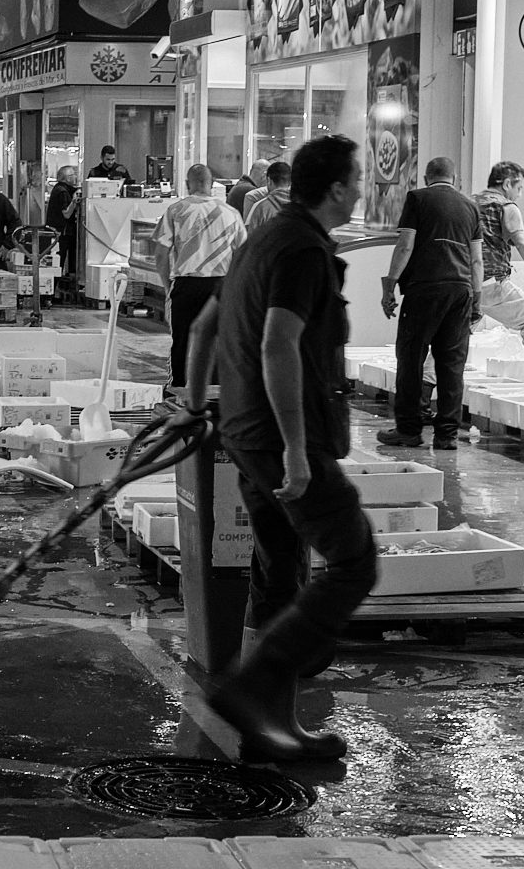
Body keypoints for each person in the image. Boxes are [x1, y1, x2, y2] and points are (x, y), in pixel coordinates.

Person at [176, 133, 374, 762]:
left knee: (280, 568)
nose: (362, 188)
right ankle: (253, 686)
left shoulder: (262, 237)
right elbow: (278, 346)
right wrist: (294, 449)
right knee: (354, 559)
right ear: (338, 188)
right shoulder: (302, 251)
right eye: (358, 179)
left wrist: (193, 403)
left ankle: (274, 729)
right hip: (281, 438)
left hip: (243, 431)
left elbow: (206, 324)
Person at [378, 157, 483, 450]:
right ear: (455, 178)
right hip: (461, 291)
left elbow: (406, 244)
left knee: (411, 359)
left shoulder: (417, 199)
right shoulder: (470, 206)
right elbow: (476, 259)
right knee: (452, 365)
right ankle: (447, 435)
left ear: (426, 178)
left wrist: (389, 286)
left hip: (424, 289)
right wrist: (477, 299)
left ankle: (409, 430)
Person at [151, 164, 247, 389]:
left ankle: (179, 391)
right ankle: (214, 392)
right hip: (221, 286)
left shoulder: (176, 210)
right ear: (212, 186)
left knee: (182, 341)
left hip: (186, 285)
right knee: (218, 341)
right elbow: (244, 255)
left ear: (187, 184)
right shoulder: (231, 213)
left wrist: (168, 287)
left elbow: (160, 254)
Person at [475, 161, 524, 381]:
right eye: (519, 188)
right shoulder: (505, 207)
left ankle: (424, 389)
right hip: (490, 281)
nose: (519, 195)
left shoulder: (468, 203)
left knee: (454, 339)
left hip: (462, 283)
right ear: (507, 183)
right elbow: (522, 242)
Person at [46, 165, 82, 295]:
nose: (75, 177)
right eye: (73, 175)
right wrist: (74, 202)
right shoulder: (62, 192)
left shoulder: (59, 189)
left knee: (57, 262)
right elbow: (66, 214)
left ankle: (51, 292)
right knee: (58, 262)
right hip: (61, 233)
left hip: (56, 231)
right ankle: (51, 293)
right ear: (66, 178)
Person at [243, 161, 292, 227]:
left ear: (269, 181)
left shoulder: (260, 208)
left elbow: (251, 234)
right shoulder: (302, 208)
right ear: (290, 182)